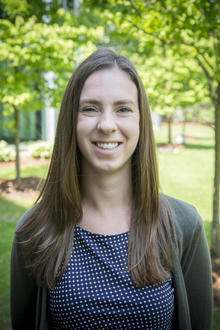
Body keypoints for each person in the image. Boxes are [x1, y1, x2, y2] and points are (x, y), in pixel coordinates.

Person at [11, 48, 213, 330]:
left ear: (141, 121)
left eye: (123, 109)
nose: (107, 125)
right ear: (71, 120)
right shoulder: (33, 230)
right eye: (90, 108)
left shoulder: (184, 225)